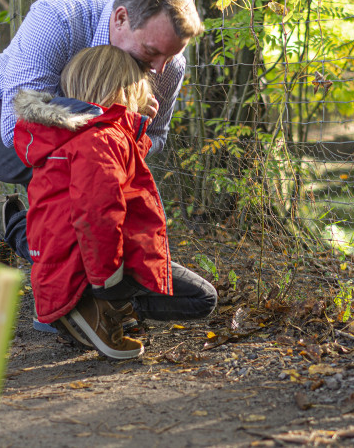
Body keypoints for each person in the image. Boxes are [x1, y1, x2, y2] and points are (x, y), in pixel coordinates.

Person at [0, 0, 203, 265]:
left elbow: (157, 136)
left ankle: (120, 282)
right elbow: (19, 124)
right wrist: (115, 119)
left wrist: (131, 135)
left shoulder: (168, 65)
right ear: (121, 18)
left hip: (79, 144)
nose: (159, 70)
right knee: (81, 204)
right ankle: (10, 225)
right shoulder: (59, 17)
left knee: (108, 200)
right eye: (151, 52)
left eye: (171, 56)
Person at [11, 45, 217, 359]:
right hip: (91, 269)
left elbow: (119, 172)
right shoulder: (103, 139)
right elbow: (98, 215)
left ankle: (95, 305)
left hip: (66, 263)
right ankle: (100, 303)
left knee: (175, 283)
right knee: (203, 299)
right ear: (125, 90)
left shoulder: (75, 135)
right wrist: (107, 281)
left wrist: (134, 128)